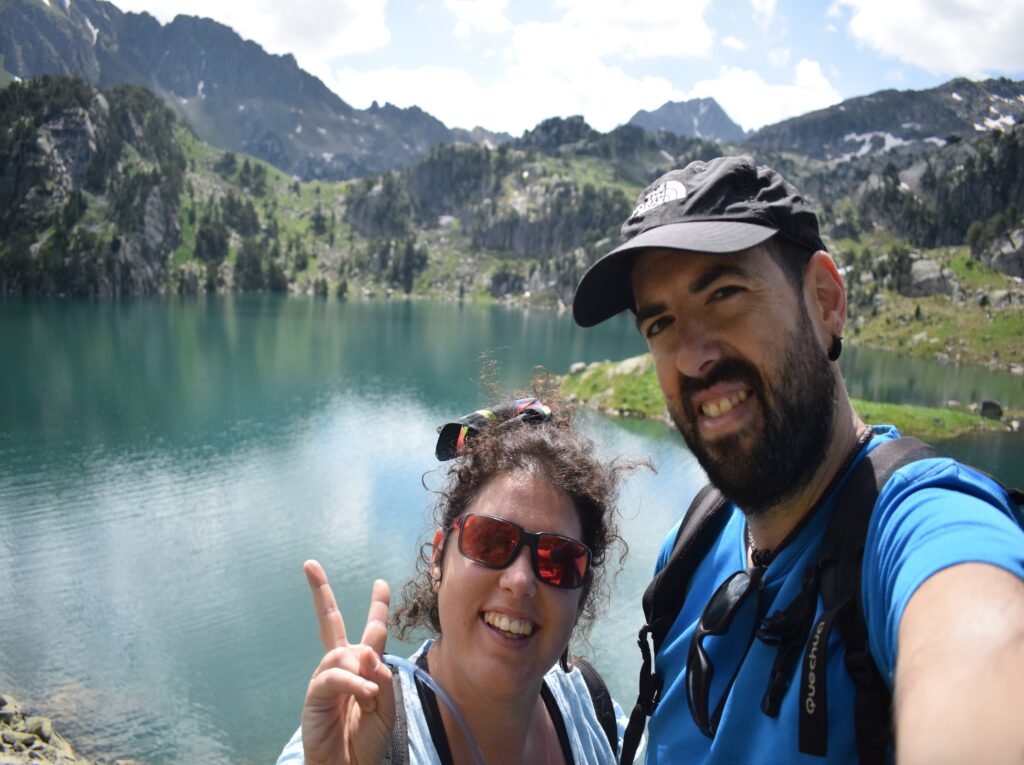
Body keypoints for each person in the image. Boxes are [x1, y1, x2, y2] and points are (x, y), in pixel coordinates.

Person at [571, 155, 1024, 764]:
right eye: (661, 323)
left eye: (725, 292)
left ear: (826, 300)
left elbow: (980, 642)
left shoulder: (915, 525)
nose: (691, 357)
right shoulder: (691, 544)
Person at [277, 397, 637, 765]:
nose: (520, 580)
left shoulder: (593, 714)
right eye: (491, 541)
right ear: (438, 559)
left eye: (558, 560)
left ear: (581, 596)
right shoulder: (352, 735)